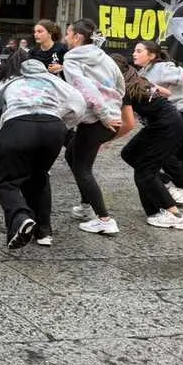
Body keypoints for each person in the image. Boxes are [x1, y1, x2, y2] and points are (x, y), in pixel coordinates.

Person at [0, 50, 86, 249]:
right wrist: (64, 124)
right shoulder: (53, 81)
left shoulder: (10, 82)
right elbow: (79, 103)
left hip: (17, 127)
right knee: (39, 176)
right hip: (52, 128)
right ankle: (44, 231)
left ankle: (20, 217)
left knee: (5, 183)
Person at [110, 54, 183, 230]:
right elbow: (167, 93)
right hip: (164, 122)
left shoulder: (125, 87)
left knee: (143, 172)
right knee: (129, 154)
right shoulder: (138, 78)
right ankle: (160, 185)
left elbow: (128, 124)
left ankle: (174, 215)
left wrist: (106, 140)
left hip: (167, 127)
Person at [63, 18, 126, 235]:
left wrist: (104, 114)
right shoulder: (104, 56)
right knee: (71, 155)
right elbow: (121, 84)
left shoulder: (71, 58)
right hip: (107, 118)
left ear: (77, 37)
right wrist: (113, 107)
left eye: (68, 33)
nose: (65, 38)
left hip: (98, 120)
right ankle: (85, 206)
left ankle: (104, 219)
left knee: (82, 168)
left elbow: (85, 88)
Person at [133, 40, 183, 203]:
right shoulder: (142, 73)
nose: (134, 53)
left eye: (139, 51)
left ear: (151, 55)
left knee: (168, 152)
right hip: (174, 114)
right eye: (135, 50)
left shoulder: (163, 68)